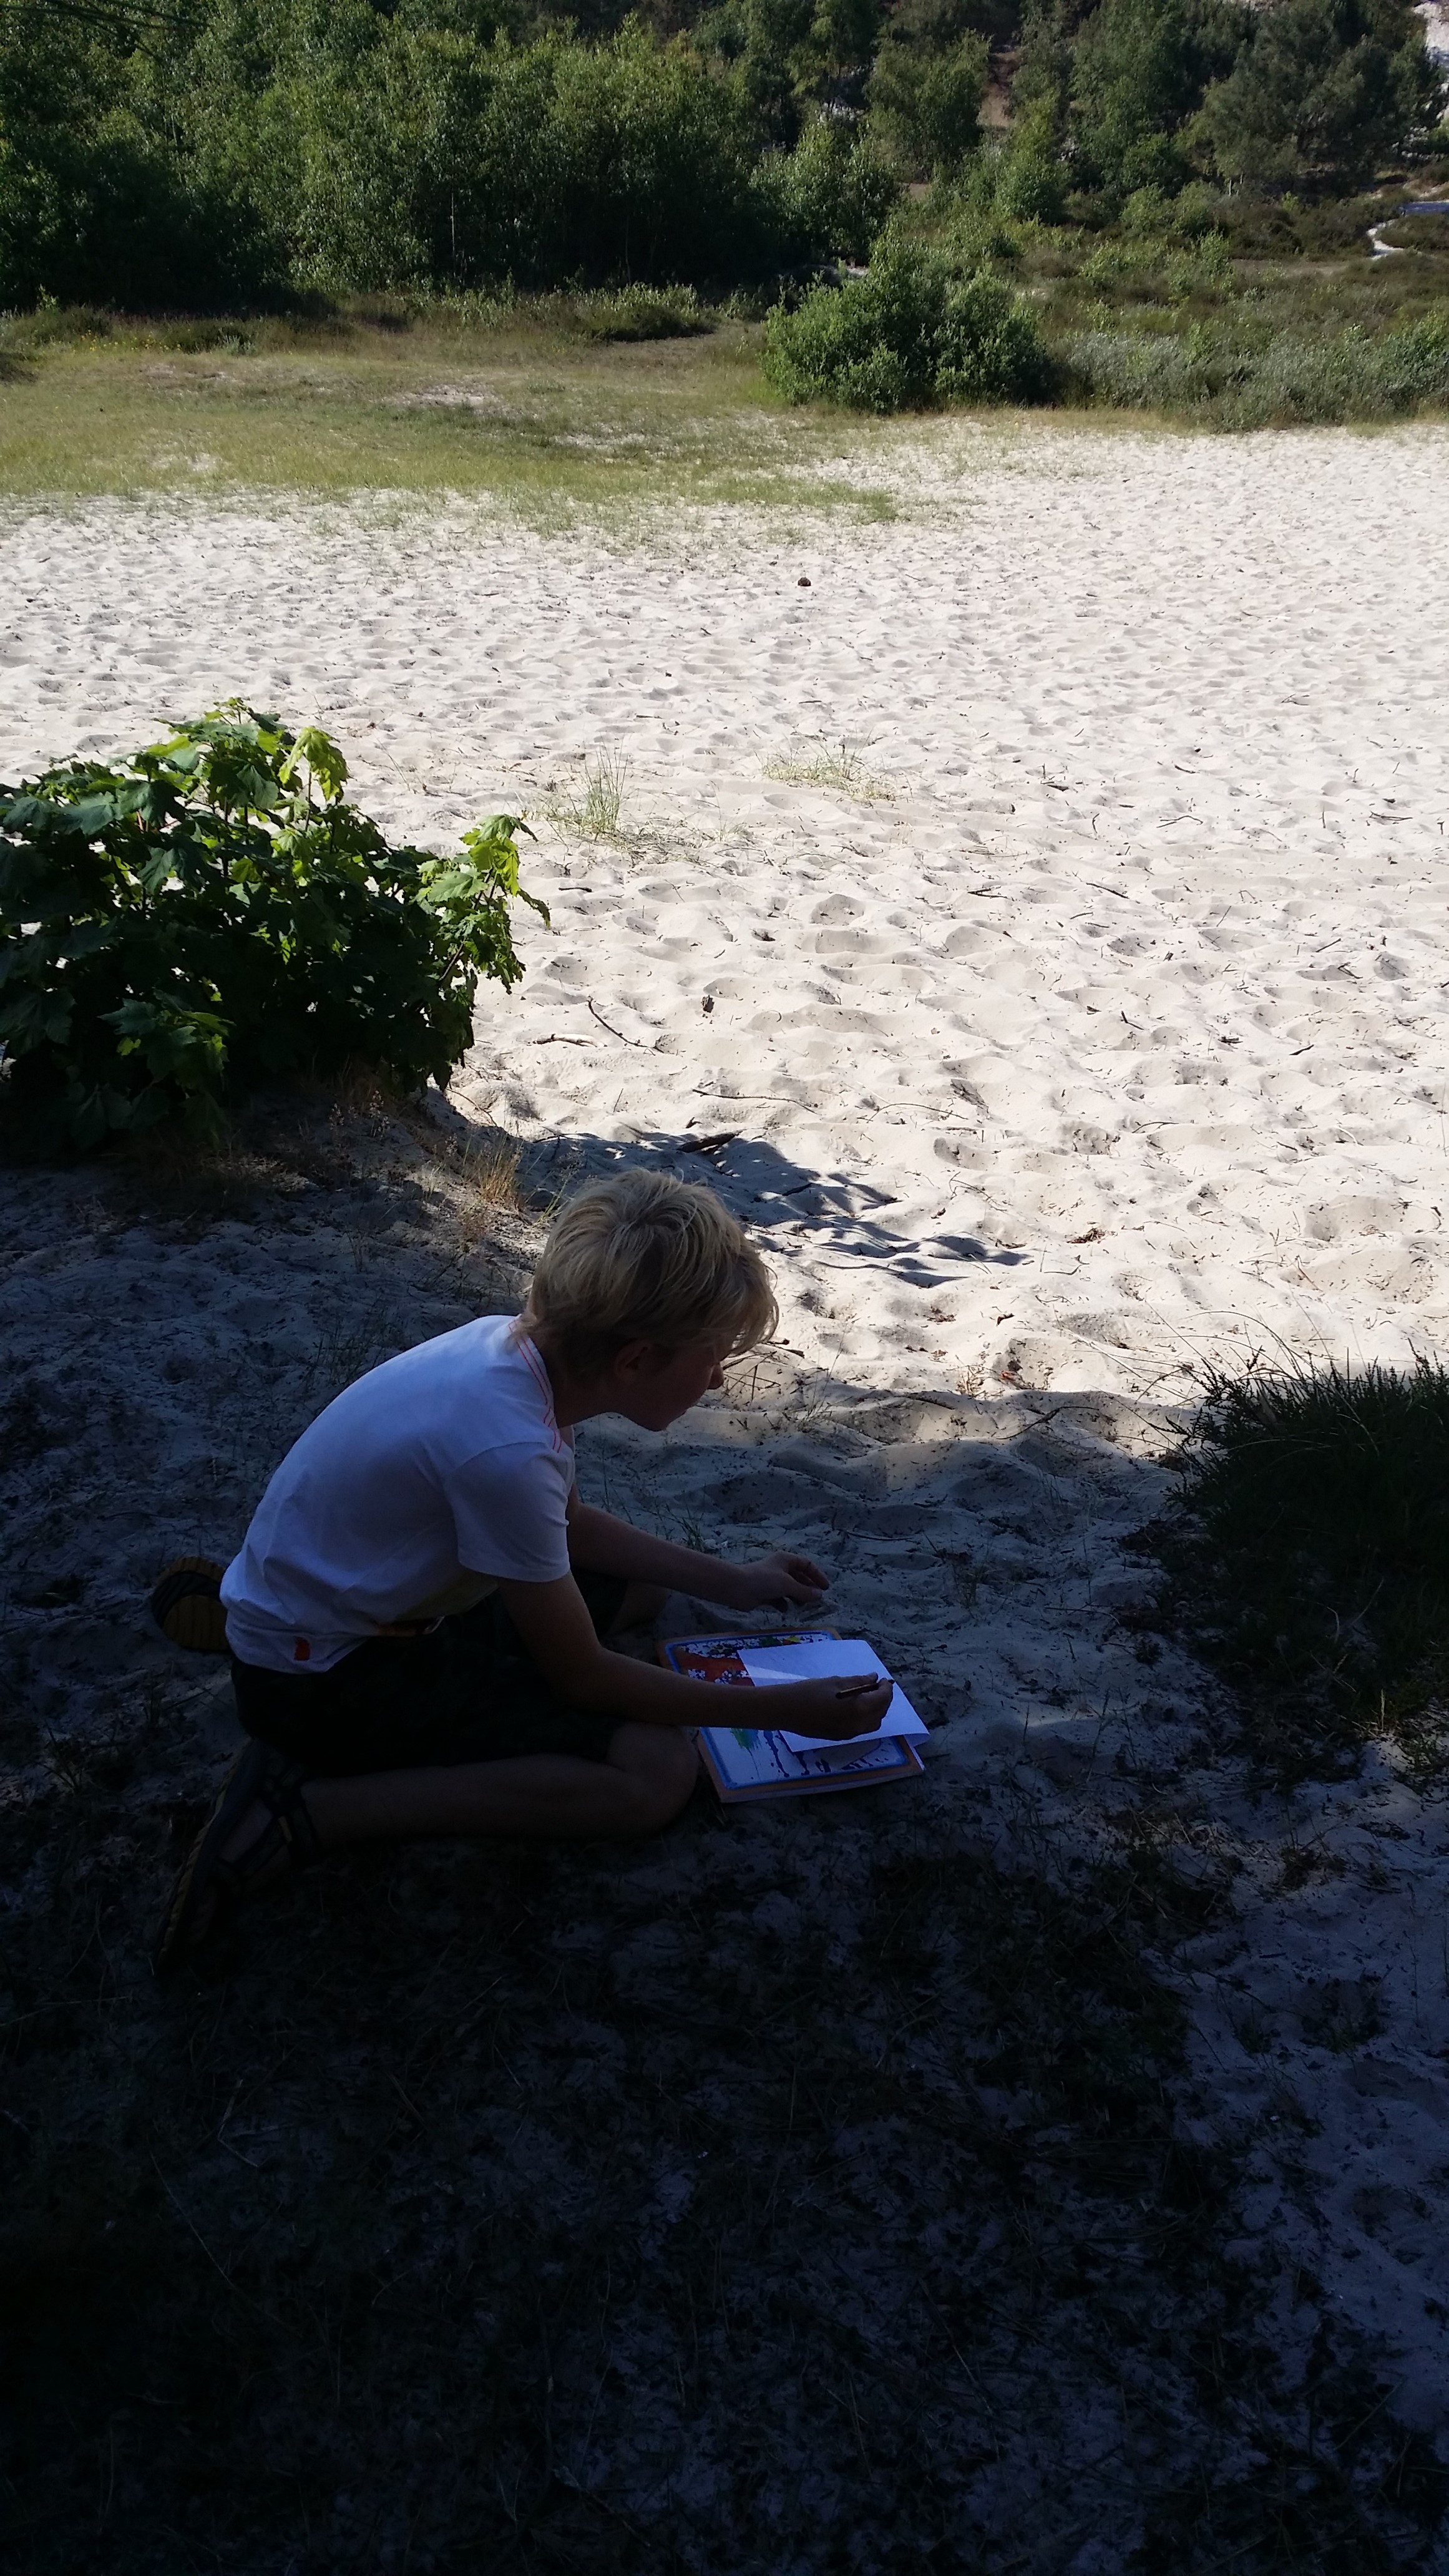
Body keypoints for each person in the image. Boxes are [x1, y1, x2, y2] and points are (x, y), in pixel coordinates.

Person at [154, 1169, 889, 1974]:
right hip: (332, 1683)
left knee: (644, 1588)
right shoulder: (506, 1451)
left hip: (352, 1602)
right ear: (636, 1359)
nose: (718, 1380)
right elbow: (582, 1677)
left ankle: (256, 1614)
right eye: (713, 1357)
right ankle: (304, 1811)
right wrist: (784, 1711)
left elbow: (566, 1527)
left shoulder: (507, 1352)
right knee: (654, 1773)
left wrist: (732, 1579)